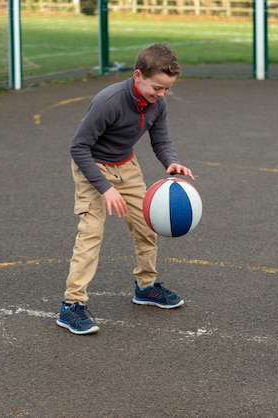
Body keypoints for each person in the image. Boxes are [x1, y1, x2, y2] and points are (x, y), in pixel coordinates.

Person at [57, 43, 195, 335]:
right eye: (157, 88)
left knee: (147, 225)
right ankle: (72, 306)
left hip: (126, 166)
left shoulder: (158, 103)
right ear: (137, 76)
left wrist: (172, 163)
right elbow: (78, 147)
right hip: (92, 166)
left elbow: (161, 140)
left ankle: (145, 286)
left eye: (167, 89)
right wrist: (105, 188)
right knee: (91, 231)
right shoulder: (109, 101)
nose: (161, 94)